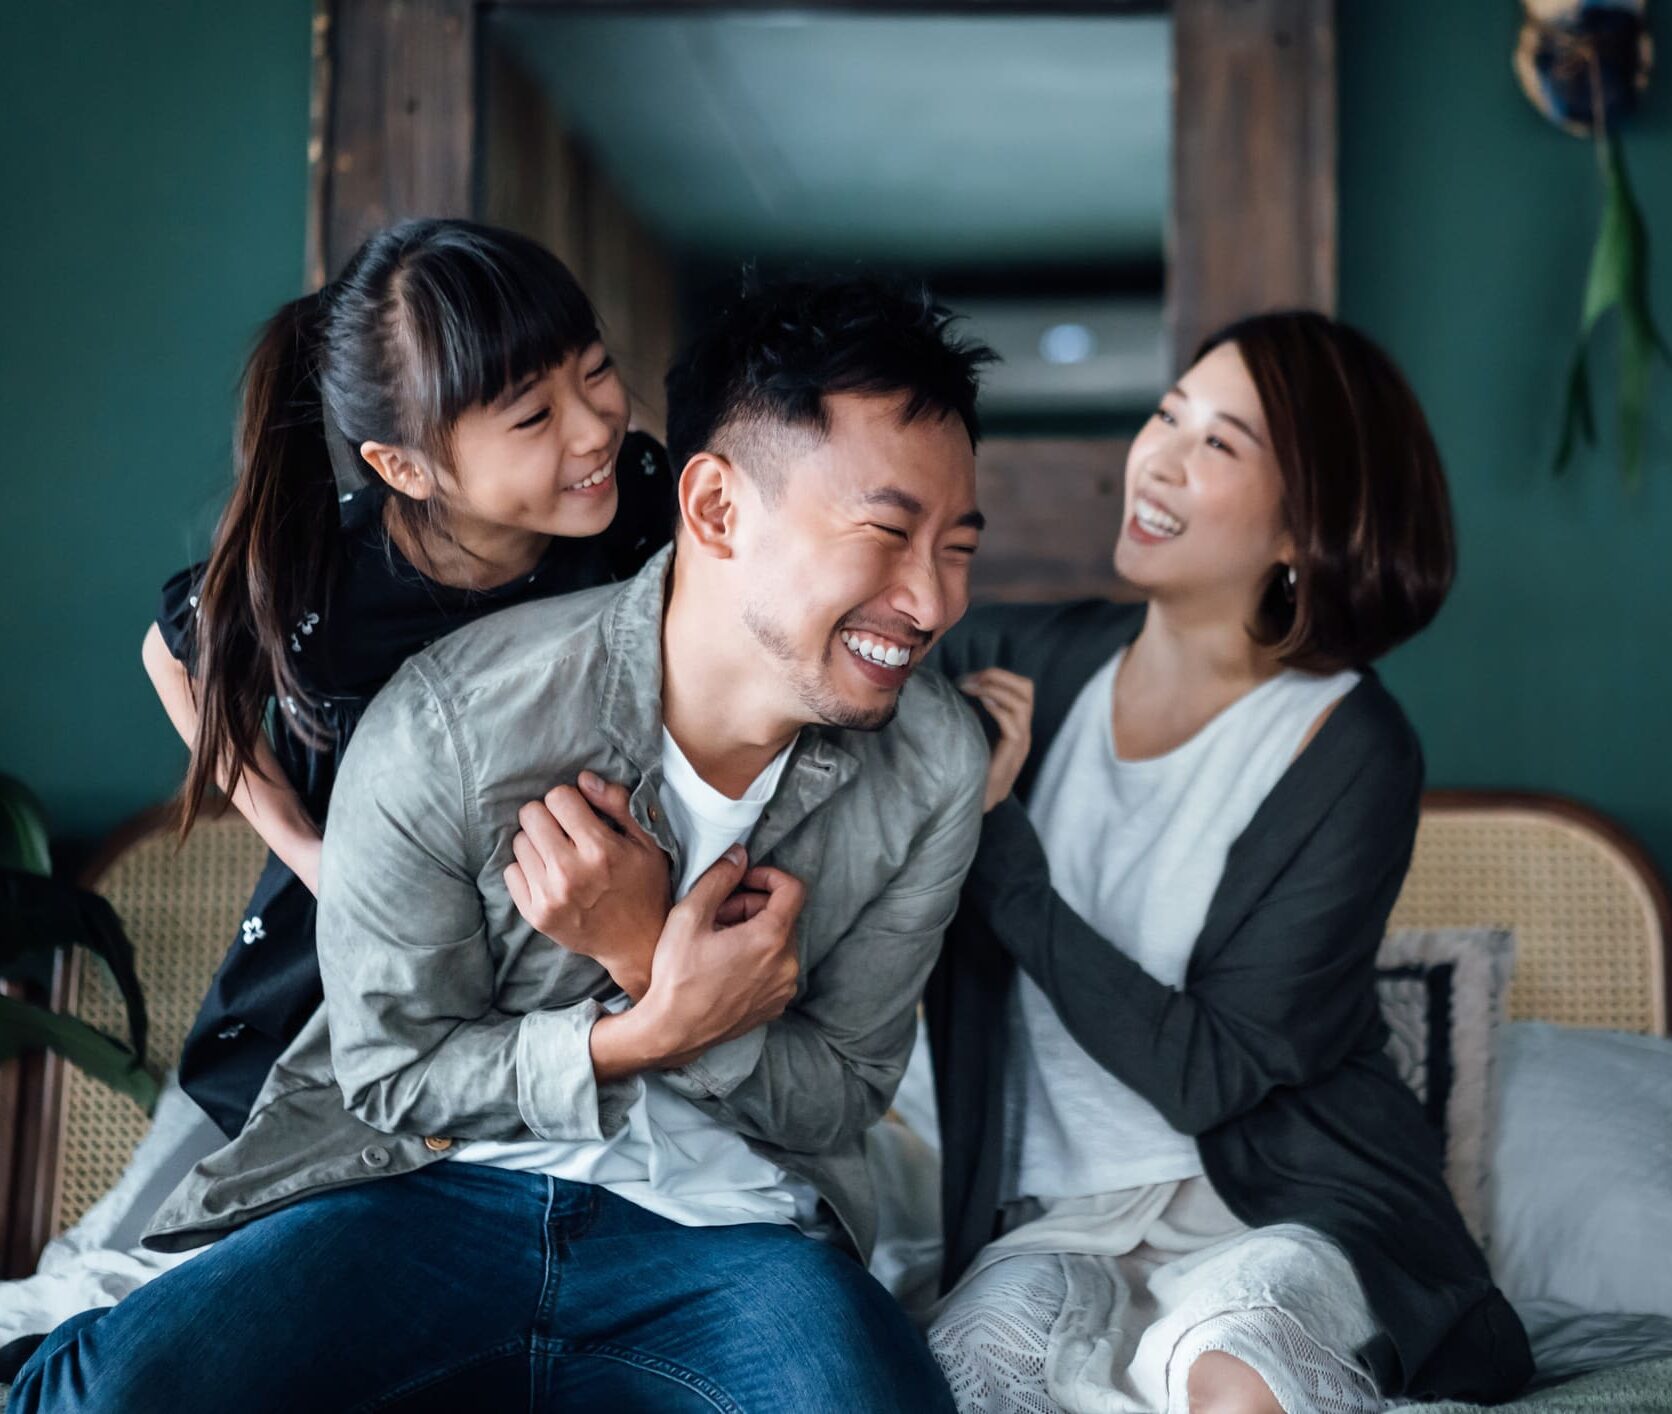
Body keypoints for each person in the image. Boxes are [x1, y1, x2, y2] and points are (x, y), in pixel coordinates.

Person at [12, 275, 994, 1413]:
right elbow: (390, 1074)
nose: (931, 600)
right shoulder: (453, 718)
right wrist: (642, 1030)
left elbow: (836, 1098)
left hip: (731, 1233)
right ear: (717, 510)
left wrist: (643, 958)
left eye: (958, 546)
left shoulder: (930, 764)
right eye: (888, 534)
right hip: (422, 1194)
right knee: (102, 1394)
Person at [923, 312, 1533, 1413]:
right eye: (1167, 416)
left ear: (1307, 522)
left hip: (1281, 1210)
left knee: (1233, 1373)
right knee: (970, 1377)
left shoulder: (1348, 744)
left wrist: (999, 848)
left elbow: (1208, 1069)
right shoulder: (1017, 664)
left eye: (1218, 443)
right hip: (1054, 1215)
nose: (1156, 457)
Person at [142, 217, 676, 1138]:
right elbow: (172, 654)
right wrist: (314, 854)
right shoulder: (327, 584)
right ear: (405, 467)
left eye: (594, 371)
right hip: (368, 970)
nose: (595, 427)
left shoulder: (636, 500)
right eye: (533, 417)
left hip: (562, 934)